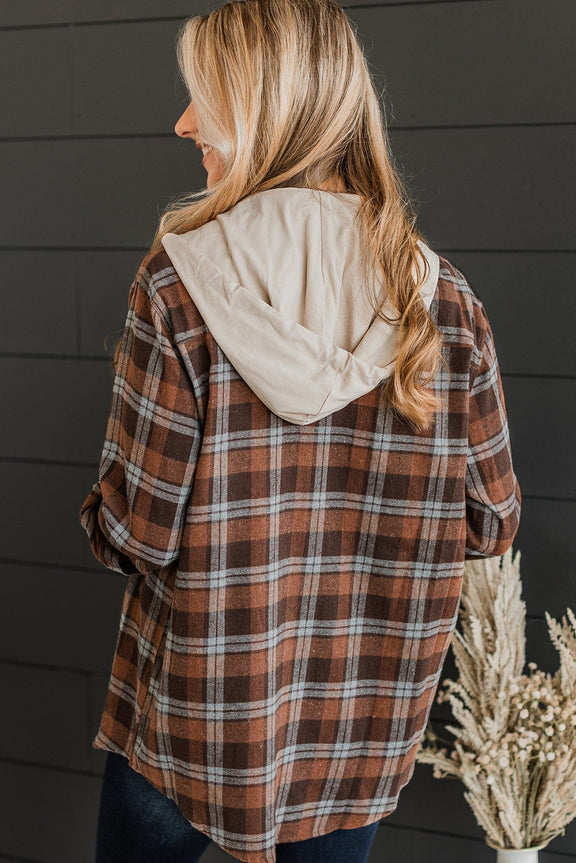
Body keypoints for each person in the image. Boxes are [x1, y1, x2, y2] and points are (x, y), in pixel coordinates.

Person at [79, 0, 522, 861]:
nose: (184, 124)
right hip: (357, 734)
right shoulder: (445, 303)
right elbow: (490, 522)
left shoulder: (176, 287)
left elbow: (139, 532)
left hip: (194, 722)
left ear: (268, 110)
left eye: (204, 97)